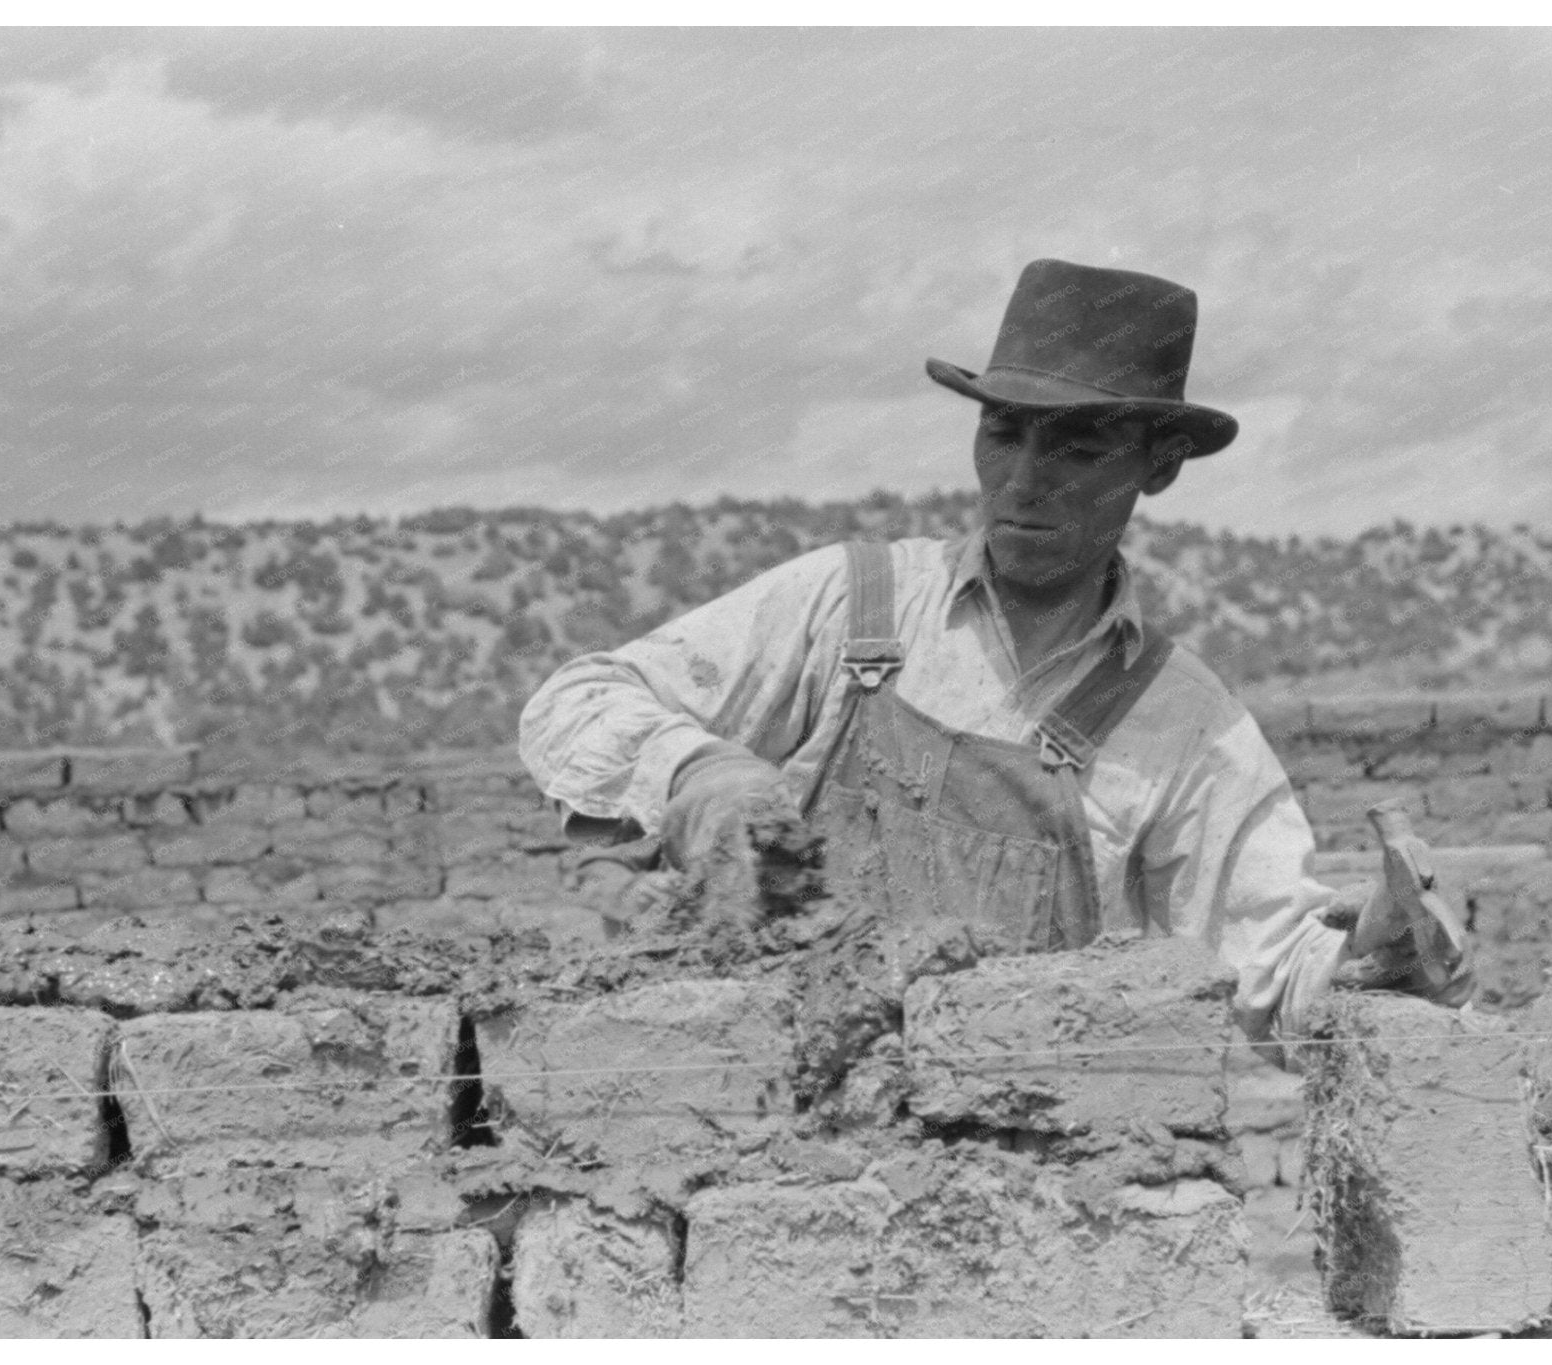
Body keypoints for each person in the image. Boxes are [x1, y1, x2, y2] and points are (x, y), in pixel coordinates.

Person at [518, 258, 1471, 1046]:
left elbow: (1271, 977)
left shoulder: (1187, 722)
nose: (1022, 481)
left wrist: (1380, 946)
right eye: (1003, 433)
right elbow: (573, 702)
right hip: (777, 1129)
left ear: (1159, 465)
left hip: (1001, 1178)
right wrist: (697, 772)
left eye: (1076, 450)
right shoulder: (851, 605)